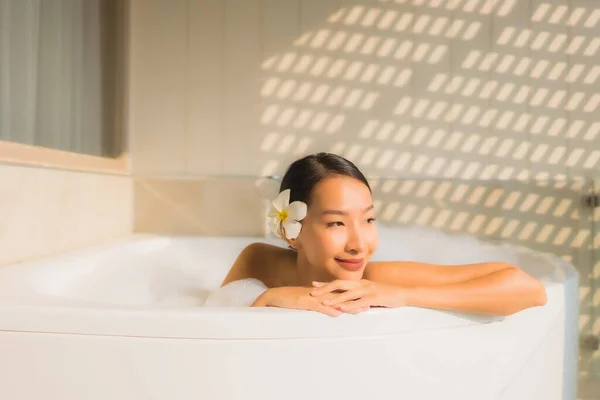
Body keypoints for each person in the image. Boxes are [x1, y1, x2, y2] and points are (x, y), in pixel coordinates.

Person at [221, 152, 547, 317]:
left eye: (368, 220)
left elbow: (528, 288)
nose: (359, 244)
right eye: (336, 223)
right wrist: (268, 299)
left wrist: (403, 295)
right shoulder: (259, 263)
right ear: (291, 232)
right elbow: (212, 334)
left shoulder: (377, 277)